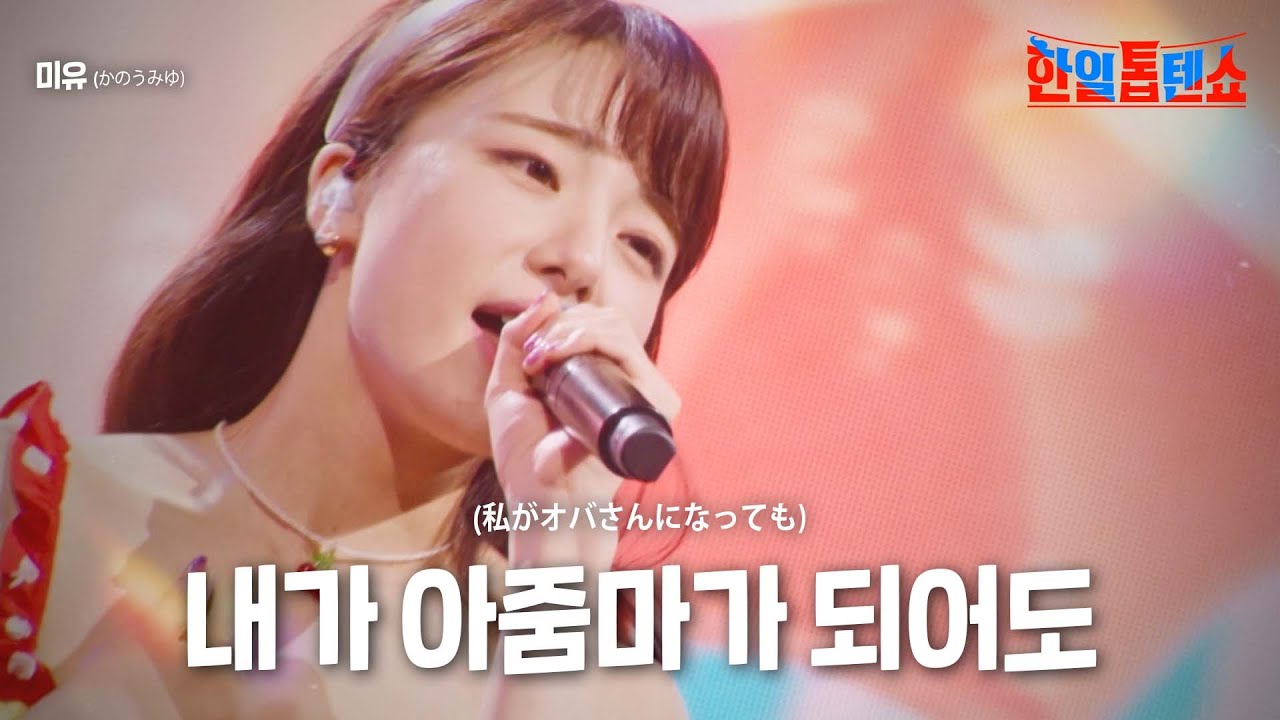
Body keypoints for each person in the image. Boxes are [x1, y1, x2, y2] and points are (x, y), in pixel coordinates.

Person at [0, 0, 728, 717]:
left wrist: (561, 564)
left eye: (641, 244)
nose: (584, 260)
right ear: (341, 190)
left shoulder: (616, 693)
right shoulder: (30, 505)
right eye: (536, 168)